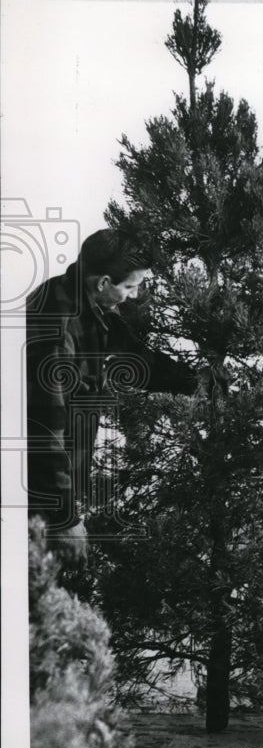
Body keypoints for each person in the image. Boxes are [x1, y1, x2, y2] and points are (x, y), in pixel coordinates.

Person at [26, 229, 201, 562]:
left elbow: (135, 358)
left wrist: (196, 382)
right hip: (36, 497)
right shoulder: (56, 328)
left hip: (59, 487)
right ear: (104, 282)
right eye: (130, 287)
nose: (134, 296)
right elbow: (44, 429)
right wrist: (63, 519)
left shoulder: (91, 303)